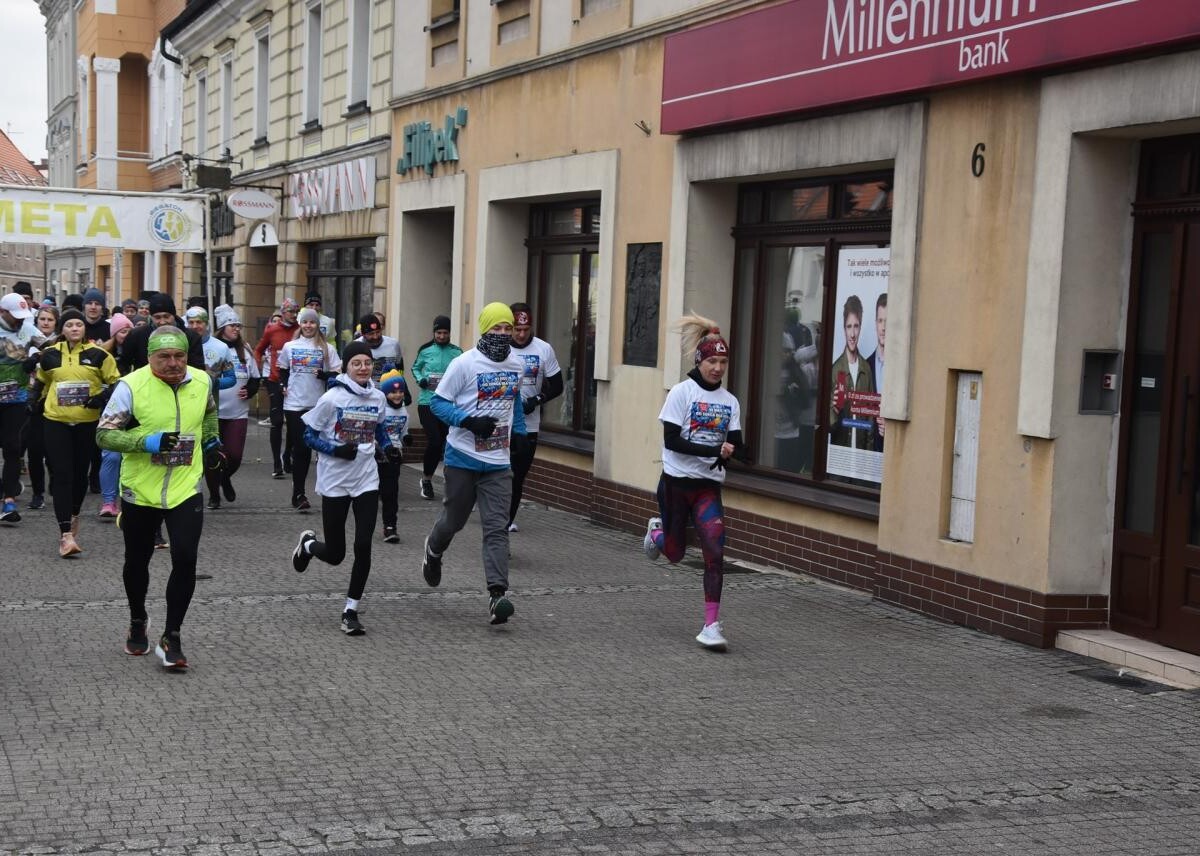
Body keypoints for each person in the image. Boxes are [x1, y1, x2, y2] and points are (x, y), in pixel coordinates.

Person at [97, 325, 225, 670]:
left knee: (185, 557)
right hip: (141, 488)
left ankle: (172, 636)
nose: (173, 363)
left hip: (185, 485)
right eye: (164, 357)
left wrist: (211, 441)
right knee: (137, 561)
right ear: (149, 357)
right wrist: (145, 442)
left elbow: (209, 412)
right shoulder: (131, 386)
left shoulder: (201, 381)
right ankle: (138, 618)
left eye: (179, 356)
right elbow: (104, 436)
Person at [420, 302, 529, 625]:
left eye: (508, 329)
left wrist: (519, 433)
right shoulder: (464, 364)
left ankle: (498, 595)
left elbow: (515, 400)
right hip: (462, 457)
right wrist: (467, 421)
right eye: (497, 328)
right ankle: (433, 549)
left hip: (497, 461)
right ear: (484, 329)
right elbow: (438, 403)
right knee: (454, 521)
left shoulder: (516, 364)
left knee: (496, 529)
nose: (504, 334)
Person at [642, 314, 743, 652]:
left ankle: (711, 625)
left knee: (715, 551)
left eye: (723, 362)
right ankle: (657, 532)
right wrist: (714, 448)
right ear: (700, 361)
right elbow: (672, 440)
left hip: (707, 487)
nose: (718, 368)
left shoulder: (730, 402)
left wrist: (730, 451)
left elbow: (737, 441)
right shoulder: (682, 394)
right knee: (674, 553)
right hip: (675, 484)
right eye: (712, 361)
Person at [291, 341, 400, 635]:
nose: (363, 368)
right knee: (336, 553)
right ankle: (309, 545)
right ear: (346, 368)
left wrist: (388, 448)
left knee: (363, 546)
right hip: (336, 480)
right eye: (357, 363)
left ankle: (350, 610)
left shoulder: (378, 396)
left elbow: (378, 428)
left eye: (367, 363)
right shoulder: (331, 399)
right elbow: (307, 436)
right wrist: (335, 450)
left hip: (366, 479)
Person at [36, 308, 120, 556]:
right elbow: (42, 382)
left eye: (79, 325)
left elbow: (117, 383)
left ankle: (73, 513)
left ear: (85, 329)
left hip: (87, 422)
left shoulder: (100, 355)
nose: (74, 328)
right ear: (62, 329)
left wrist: (100, 397)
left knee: (80, 474)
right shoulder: (49, 355)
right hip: (55, 421)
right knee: (62, 474)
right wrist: (34, 403)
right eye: (70, 324)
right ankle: (65, 535)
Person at [506, 302, 563, 532]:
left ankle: (507, 521)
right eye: (516, 330)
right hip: (502, 422)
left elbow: (558, 386)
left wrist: (537, 400)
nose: (520, 335)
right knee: (499, 475)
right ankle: (498, 518)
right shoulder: (501, 348)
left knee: (518, 476)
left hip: (529, 424)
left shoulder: (543, 349)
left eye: (525, 330)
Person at [279, 307, 341, 511]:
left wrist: (323, 375)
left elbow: (337, 375)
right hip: (295, 404)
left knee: (321, 450)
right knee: (302, 448)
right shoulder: (290, 346)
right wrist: (283, 385)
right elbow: (283, 370)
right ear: (300, 324)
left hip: (318, 405)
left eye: (312, 322)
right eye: (305, 322)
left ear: (317, 325)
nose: (308, 326)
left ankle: (330, 491)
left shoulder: (327, 349)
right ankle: (299, 494)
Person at [209, 305, 260, 506]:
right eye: (232, 325)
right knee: (212, 456)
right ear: (222, 327)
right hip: (212, 412)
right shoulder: (211, 348)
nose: (236, 329)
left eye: (238, 325)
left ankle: (224, 477)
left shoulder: (245, 350)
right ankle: (214, 495)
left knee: (235, 456)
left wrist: (250, 389)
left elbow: (256, 378)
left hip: (238, 412)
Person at [0, 293, 42, 523]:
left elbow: (51, 346)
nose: (18, 320)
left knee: (12, 447)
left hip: (17, 399)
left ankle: (9, 500)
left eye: (21, 316)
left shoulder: (28, 329)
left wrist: (35, 358)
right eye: (14, 316)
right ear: (2, 312)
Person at [410, 315, 461, 500]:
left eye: (445, 333)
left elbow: (462, 373)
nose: (441, 336)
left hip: (448, 404)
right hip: (427, 403)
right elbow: (415, 368)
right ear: (434, 332)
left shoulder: (457, 352)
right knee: (435, 441)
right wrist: (421, 380)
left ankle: (451, 482)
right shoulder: (425, 350)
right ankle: (426, 479)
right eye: (438, 332)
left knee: (449, 443)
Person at [253, 297, 300, 478]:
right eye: (290, 311)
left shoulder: (300, 330)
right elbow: (258, 349)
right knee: (277, 421)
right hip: (273, 379)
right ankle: (276, 463)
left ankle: (287, 455)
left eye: (296, 311)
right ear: (282, 312)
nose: (293, 315)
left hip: (293, 381)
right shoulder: (272, 330)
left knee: (293, 422)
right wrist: (258, 365)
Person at [96, 312, 135, 517]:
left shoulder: (140, 353)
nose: (125, 334)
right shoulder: (104, 355)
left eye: (129, 330)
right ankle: (109, 501)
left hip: (136, 410)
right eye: (121, 331)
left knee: (133, 455)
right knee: (111, 455)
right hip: (112, 410)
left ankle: (131, 500)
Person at [828, 295, 875, 450]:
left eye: (856, 326)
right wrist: (834, 410)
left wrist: (867, 455)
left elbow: (870, 417)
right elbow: (828, 427)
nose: (853, 334)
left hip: (861, 456)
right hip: (841, 457)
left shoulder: (866, 369)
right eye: (849, 327)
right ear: (844, 328)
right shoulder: (835, 370)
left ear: (860, 327)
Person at [25, 304, 59, 510]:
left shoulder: (59, 344)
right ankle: (37, 493)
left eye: (50, 320)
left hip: (54, 401)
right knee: (35, 449)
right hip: (32, 401)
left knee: (53, 450)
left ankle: (56, 482)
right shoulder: (28, 342)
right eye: (42, 319)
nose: (45, 323)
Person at [376, 369, 412, 543]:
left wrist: (406, 438)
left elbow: (403, 430)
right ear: (384, 393)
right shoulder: (380, 410)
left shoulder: (404, 411)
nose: (397, 395)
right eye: (392, 392)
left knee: (391, 492)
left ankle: (390, 526)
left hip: (394, 455)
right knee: (374, 490)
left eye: (400, 392)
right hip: (376, 455)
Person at [357, 312, 407, 389]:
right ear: (363, 334)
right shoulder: (355, 346)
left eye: (378, 332)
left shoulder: (393, 344)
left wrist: (400, 385)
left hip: (390, 393)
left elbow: (399, 367)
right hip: (365, 394)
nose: (375, 336)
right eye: (371, 334)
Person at [865, 293, 887, 452]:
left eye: (888, 321)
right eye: (880, 321)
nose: (884, 327)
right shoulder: (865, 366)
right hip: (868, 448)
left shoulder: (900, 369)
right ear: (875, 324)